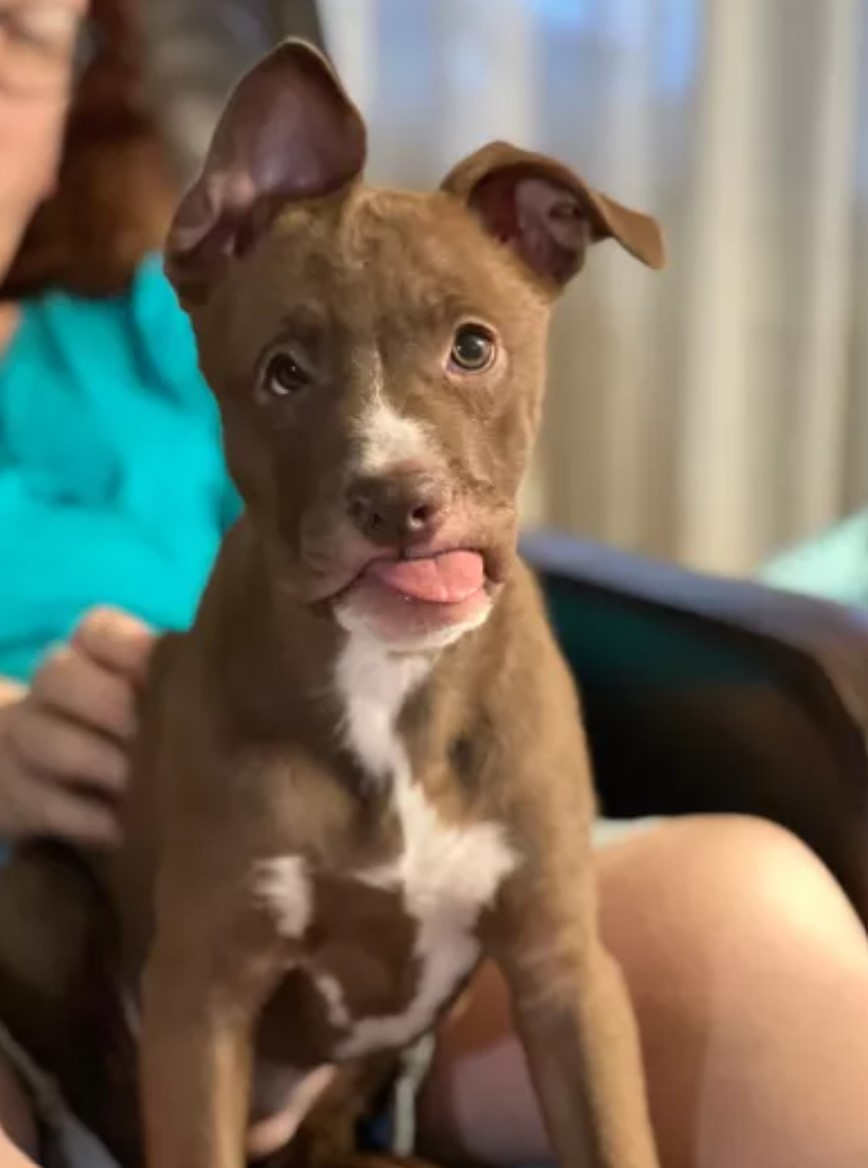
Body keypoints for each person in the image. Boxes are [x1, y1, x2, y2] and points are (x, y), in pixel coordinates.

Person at [1, 4, 868, 1168]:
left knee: (759, 920)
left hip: (393, 916)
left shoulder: (174, 326)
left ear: (80, 89)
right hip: (49, 974)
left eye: (13, 32)